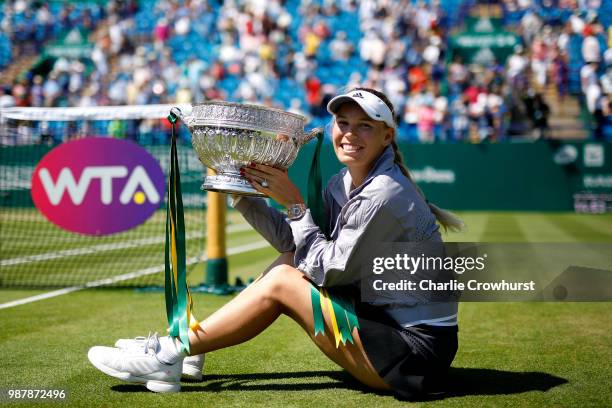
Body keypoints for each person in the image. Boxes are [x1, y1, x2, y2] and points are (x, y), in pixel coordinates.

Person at [88, 88, 463, 399]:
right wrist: (244, 193)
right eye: (343, 123)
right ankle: (185, 349)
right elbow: (296, 245)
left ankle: (169, 352)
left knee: (284, 280)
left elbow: (328, 271)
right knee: (288, 261)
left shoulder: (384, 193)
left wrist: (296, 205)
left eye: (365, 126)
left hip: (414, 356)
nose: (349, 133)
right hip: (384, 327)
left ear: (387, 136)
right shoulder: (344, 184)